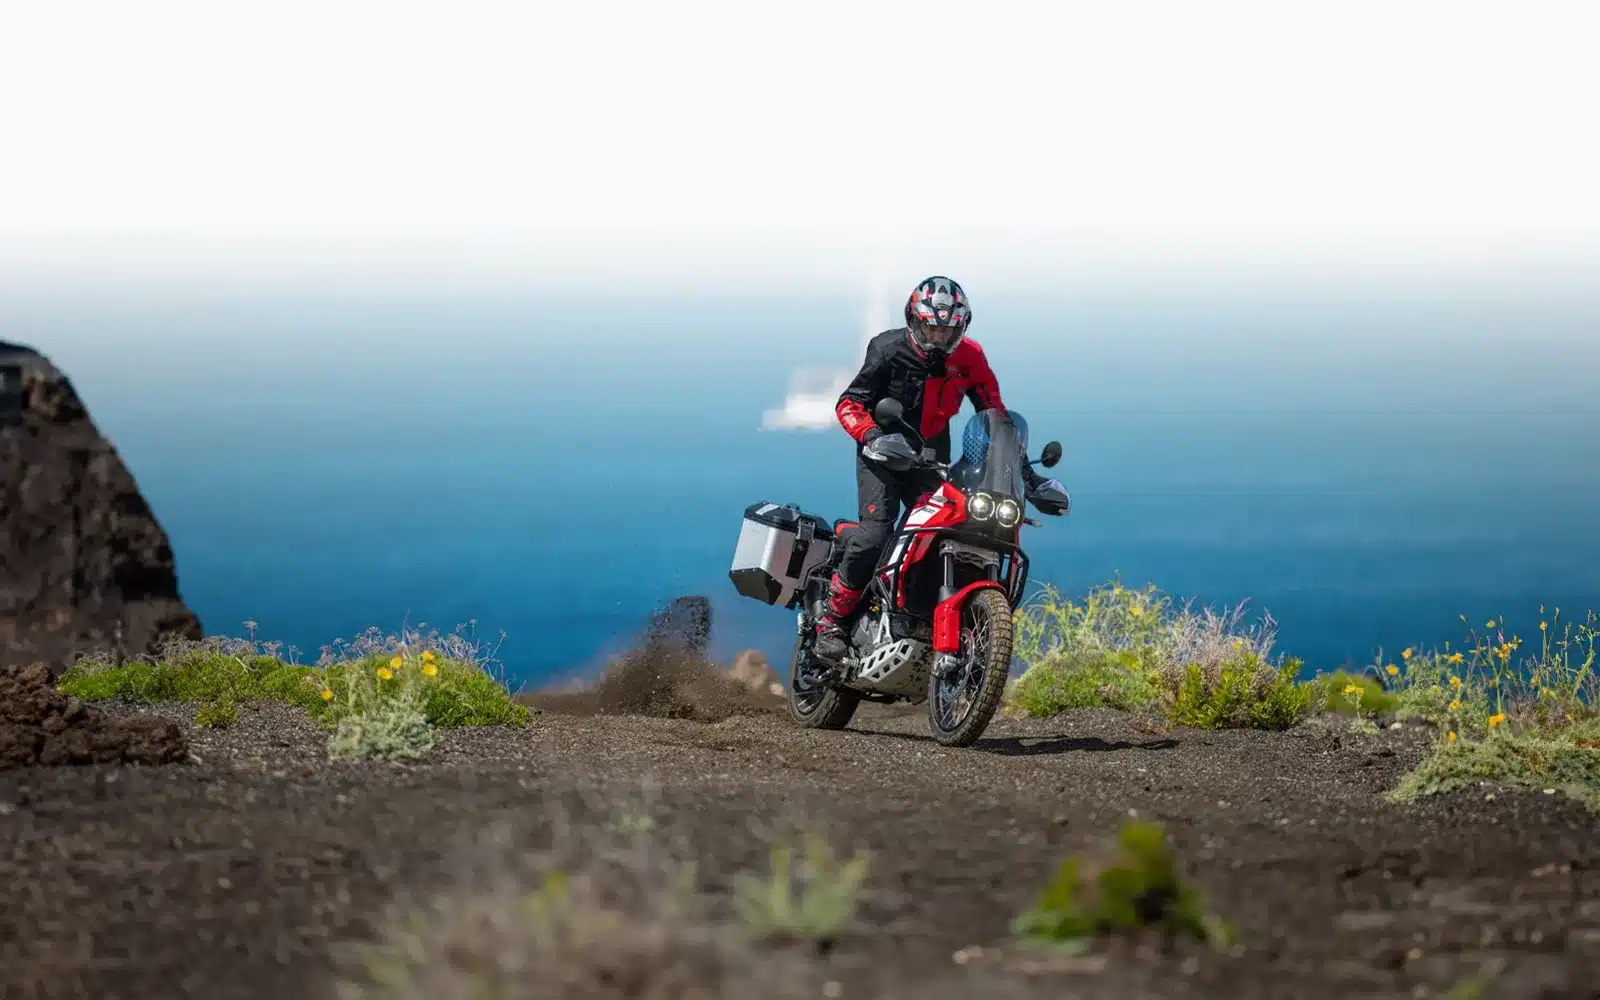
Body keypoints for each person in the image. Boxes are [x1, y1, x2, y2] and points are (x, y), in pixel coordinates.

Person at [813, 275, 1016, 665]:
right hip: (883, 456)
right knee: (876, 535)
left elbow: (996, 416)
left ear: (961, 327)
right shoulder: (887, 349)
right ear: (915, 320)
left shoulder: (971, 358)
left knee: (954, 526)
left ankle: (921, 612)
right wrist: (872, 436)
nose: (939, 337)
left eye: (948, 330)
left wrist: (1022, 468)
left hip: (931, 459)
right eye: (932, 328)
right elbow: (849, 403)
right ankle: (832, 621)